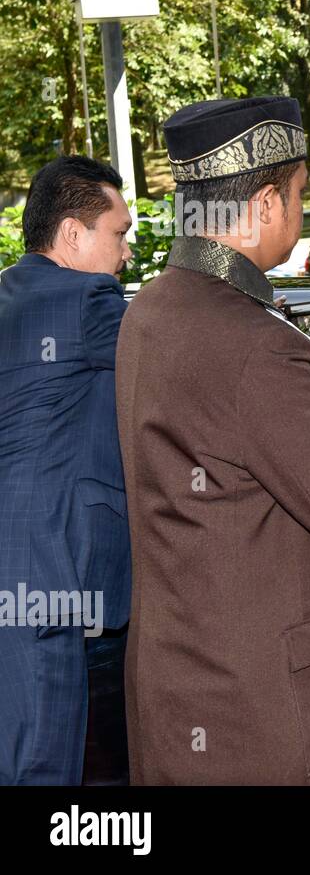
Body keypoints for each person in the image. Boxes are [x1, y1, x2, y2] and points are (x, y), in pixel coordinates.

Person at [116, 97, 310, 784]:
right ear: (267, 202)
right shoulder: (261, 345)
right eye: (300, 192)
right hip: (263, 719)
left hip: (175, 692)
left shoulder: (150, 307)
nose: (303, 207)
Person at [0, 156, 133, 784]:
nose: (127, 251)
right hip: (43, 571)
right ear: (74, 236)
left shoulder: (8, 294)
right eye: (120, 232)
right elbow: (176, 370)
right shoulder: (88, 297)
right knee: (43, 769)